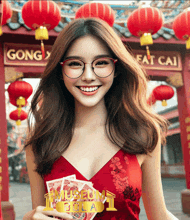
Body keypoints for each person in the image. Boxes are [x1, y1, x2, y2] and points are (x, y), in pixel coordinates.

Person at [23, 17, 178, 220]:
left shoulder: (142, 133)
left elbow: (159, 216)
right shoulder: (40, 141)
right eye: (75, 64)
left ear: (116, 68)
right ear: (61, 70)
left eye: (101, 63)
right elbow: (40, 212)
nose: (88, 75)